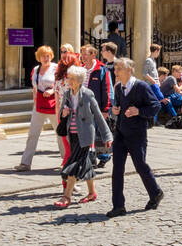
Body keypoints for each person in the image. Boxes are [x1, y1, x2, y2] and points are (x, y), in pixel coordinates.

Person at [105, 58, 163, 217]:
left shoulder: (141, 87)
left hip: (137, 134)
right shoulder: (118, 88)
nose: (115, 73)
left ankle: (155, 192)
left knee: (140, 165)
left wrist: (139, 111)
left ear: (129, 70)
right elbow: (117, 106)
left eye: (118, 70)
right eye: (115, 69)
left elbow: (155, 106)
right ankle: (118, 206)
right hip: (121, 133)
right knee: (117, 169)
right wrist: (114, 110)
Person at [55, 65, 112, 208]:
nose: (69, 81)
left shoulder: (87, 94)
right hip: (72, 135)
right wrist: (64, 113)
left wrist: (107, 136)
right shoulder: (68, 94)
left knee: (73, 165)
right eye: (69, 78)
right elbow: (63, 112)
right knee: (85, 164)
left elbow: (98, 116)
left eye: (72, 79)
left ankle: (66, 196)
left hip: (85, 136)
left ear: (80, 80)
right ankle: (92, 192)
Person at [19, 45, 59, 171]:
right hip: (40, 105)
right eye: (43, 56)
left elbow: (62, 85)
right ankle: (25, 163)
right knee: (33, 133)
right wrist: (35, 100)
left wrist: (52, 91)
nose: (45, 58)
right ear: (39, 57)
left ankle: (66, 161)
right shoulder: (36, 69)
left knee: (60, 133)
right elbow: (34, 87)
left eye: (48, 56)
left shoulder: (56, 68)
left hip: (54, 105)